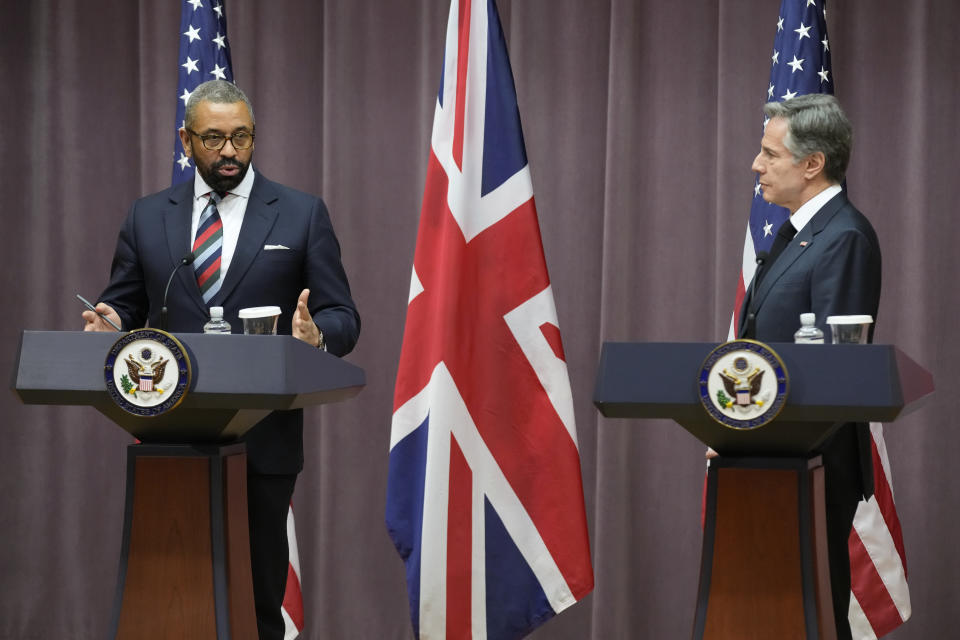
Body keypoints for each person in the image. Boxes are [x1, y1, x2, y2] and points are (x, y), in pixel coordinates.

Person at [82, 80, 360, 640]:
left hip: (264, 440)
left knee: (257, 606)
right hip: (170, 437)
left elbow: (344, 317)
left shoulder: (301, 214)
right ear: (186, 140)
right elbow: (124, 307)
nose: (229, 152)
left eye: (241, 137)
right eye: (214, 139)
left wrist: (315, 335)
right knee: (169, 601)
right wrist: (109, 323)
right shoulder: (147, 217)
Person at [739, 93, 880, 640]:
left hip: (812, 461)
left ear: (812, 163)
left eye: (770, 154)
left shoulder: (842, 237)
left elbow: (835, 367)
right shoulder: (796, 233)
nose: (757, 165)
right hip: (773, 458)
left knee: (813, 615)